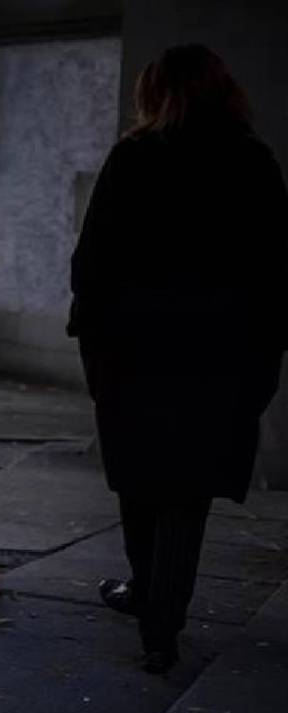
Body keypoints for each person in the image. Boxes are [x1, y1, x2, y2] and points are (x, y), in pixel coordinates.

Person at [69, 45, 288, 674]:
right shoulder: (253, 163)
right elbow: (275, 272)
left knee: (141, 484)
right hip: (219, 357)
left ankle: (152, 606)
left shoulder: (136, 158)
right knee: (186, 496)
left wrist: (95, 338)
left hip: (136, 352)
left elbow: (94, 261)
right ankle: (161, 621)